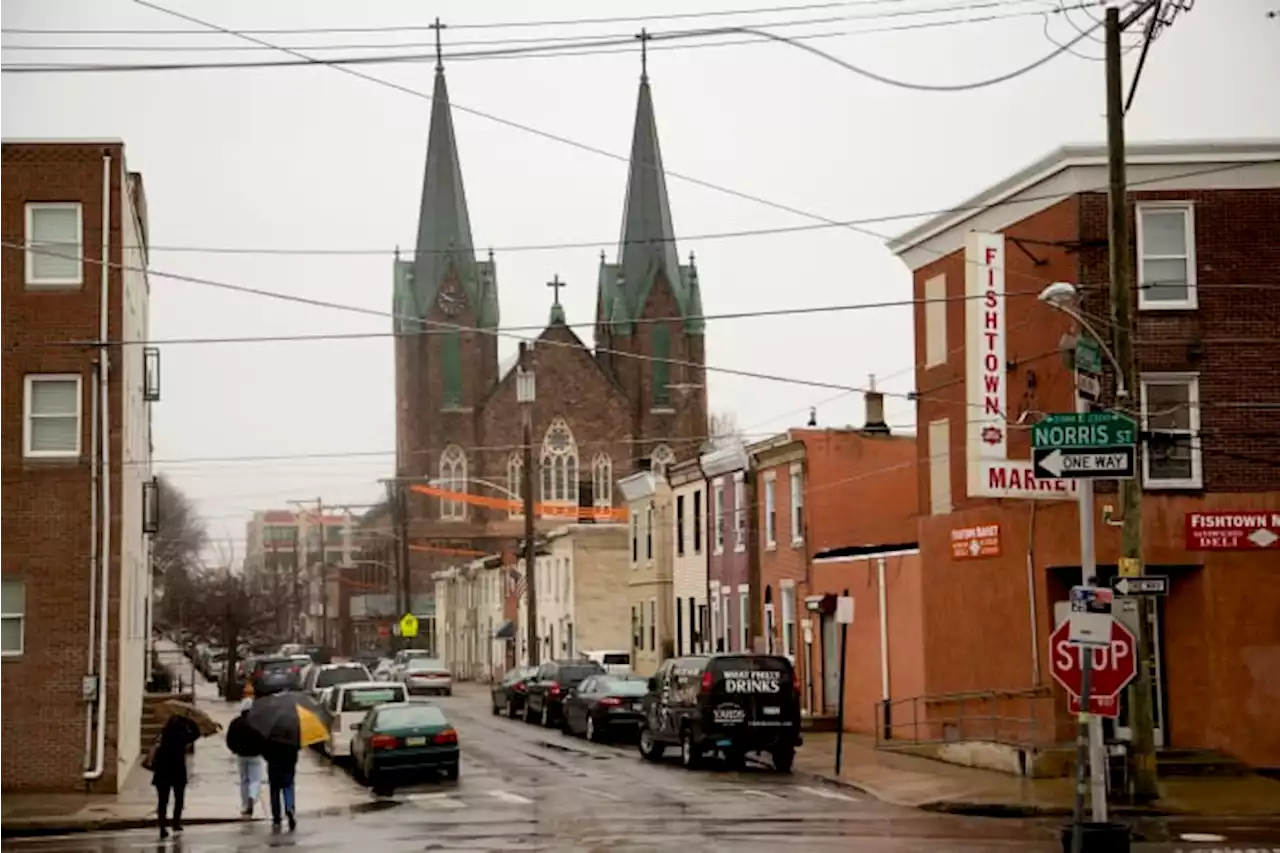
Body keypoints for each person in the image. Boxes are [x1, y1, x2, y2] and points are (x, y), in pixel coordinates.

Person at [151, 713, 200, 839]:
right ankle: (176, 823)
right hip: (177, 773)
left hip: (162, 773)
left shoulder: (163, 735)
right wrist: (189, 721)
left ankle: (162, 827)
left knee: (162, 801)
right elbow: (196, 733)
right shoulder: (182, 736)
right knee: (179, 799)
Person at [236, 689, 264, 817]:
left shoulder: (237, 723)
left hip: (241, 755)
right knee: (255, 779)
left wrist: (235, 749)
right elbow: (264, 737)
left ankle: (245, 803)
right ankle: (253, 796)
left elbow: (230, 738)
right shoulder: (258, 722)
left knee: (244, 780)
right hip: (255, 755)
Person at [263, 740, 299, 831]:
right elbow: (298, 745)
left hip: (274, 764)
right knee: (288, 787)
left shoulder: (269, 729)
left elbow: (264, 750)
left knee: (275, 790)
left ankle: (276, 819)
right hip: (289, 761)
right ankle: (289, 808)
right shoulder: (293, 726)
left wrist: (269, 758)